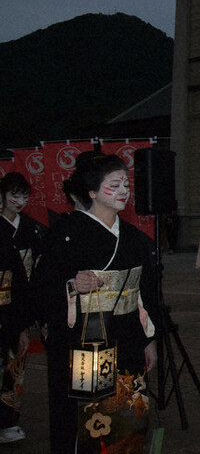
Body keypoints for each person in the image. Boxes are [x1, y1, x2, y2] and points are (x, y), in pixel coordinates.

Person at [33, 153, 159, 454]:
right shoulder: (66, 234)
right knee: (91, 416)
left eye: (125, 184)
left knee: (131, 411)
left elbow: (144, 294)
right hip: (87, 343)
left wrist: (150, 339)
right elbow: (40, 288)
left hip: (128, 335)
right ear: (91, 191)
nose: (123, 191)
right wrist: (72, 285)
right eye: (114, 185)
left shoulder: (134, 238)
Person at [0, 193, 31, 444]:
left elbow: (19, 285)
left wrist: (22, 327)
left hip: (6, 317)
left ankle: (7, 421)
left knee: (10, 372)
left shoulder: (5, 238)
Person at [0, 172, 44, 281]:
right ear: (2, 195)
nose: (21, 202)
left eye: (25, 197)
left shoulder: (30, 224)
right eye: (15, 197)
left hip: (28, 285)